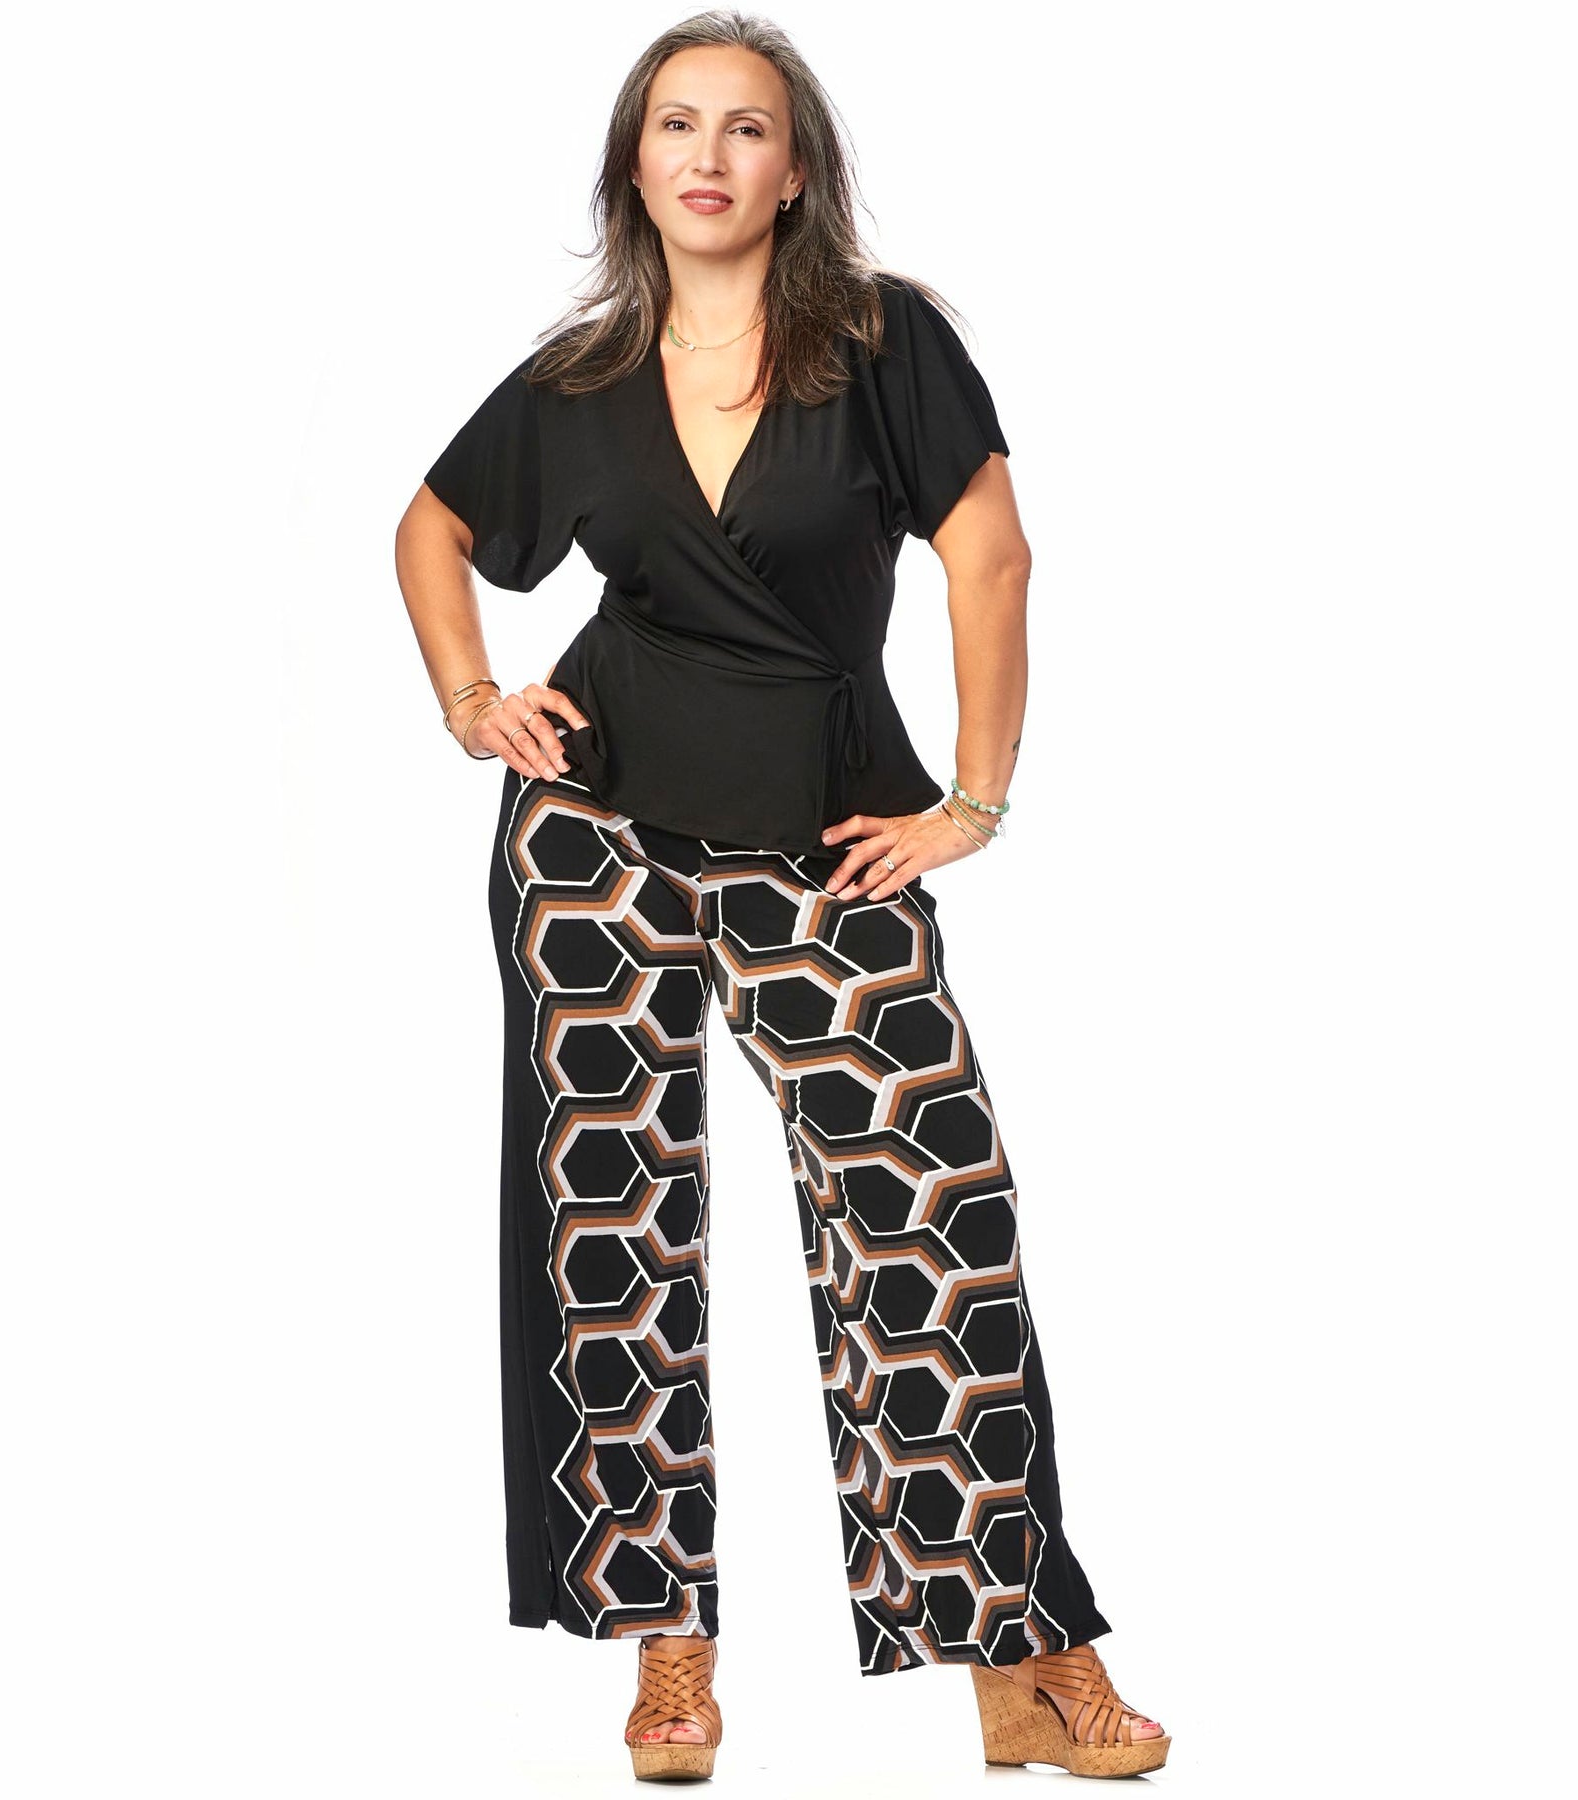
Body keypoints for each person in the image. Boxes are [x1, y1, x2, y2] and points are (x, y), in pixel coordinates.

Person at [393, 11, 1170, 1783]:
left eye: (746, 127)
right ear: (636, 163)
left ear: (793, 169)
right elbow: (429, 528)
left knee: (928, 1219)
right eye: (677, 124)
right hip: (591, 832)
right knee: (612, 1234)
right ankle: (667, 1654)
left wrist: (974, 800)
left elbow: (993, 556)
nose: (709, 154)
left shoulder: (883, 346)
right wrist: (470, 697)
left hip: (827, 829)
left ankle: (1022, 1652)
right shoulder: (580, 375)